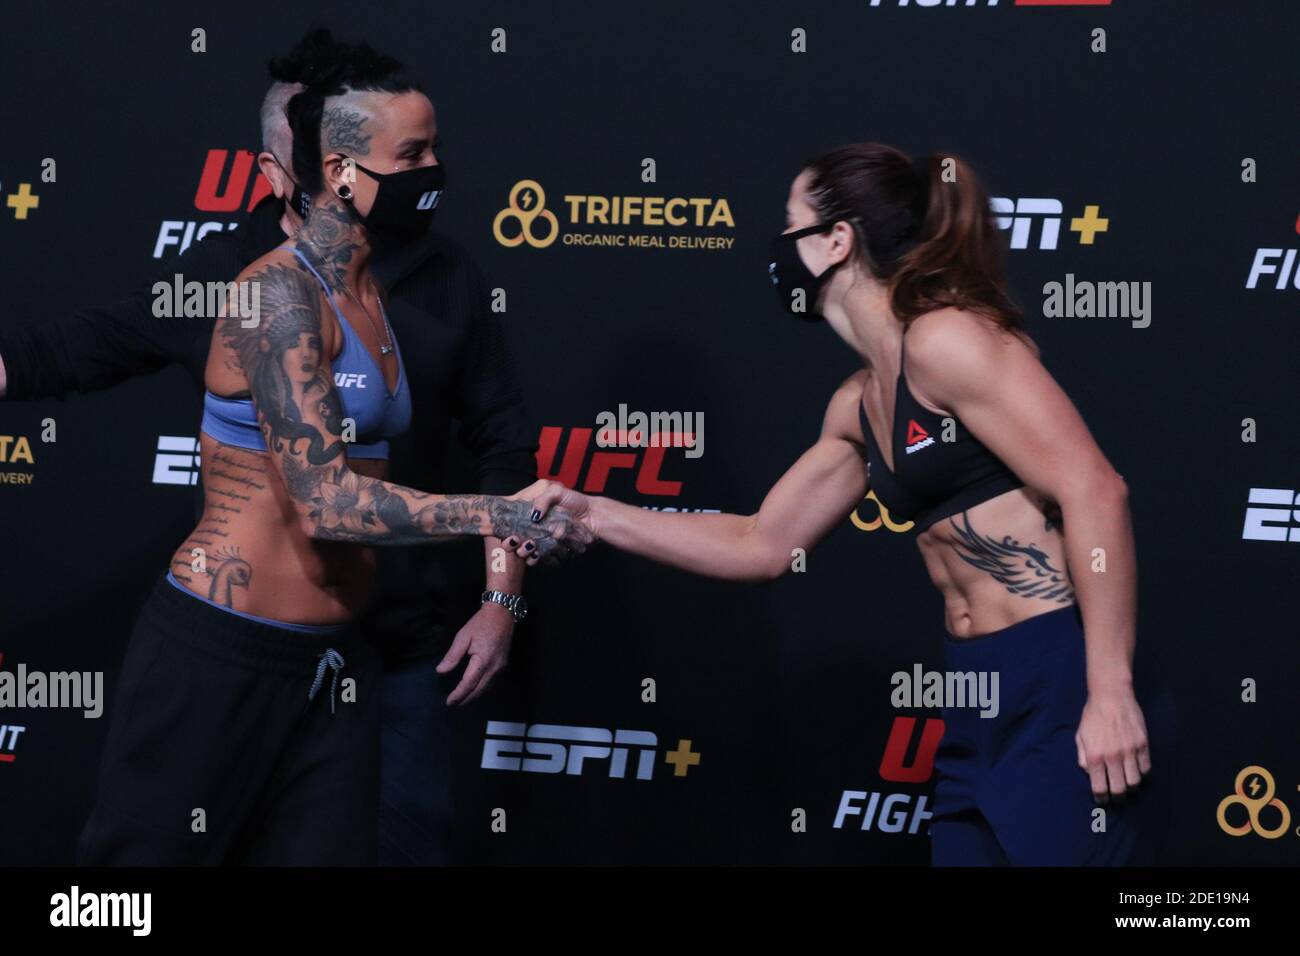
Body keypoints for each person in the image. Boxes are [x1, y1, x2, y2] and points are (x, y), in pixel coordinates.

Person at [540, 143, 1174, 866]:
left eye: (790, 224)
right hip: (974, 689)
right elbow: (762, 543)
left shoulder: (946, 340)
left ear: (837, 240)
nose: (778, 246)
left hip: (1059, 673)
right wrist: (591, 513)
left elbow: (1095, 488)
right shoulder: (859, 402)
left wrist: (1109, 689)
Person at [0, 30, 541, 865]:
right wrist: (499, 515)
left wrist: (502, 595)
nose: (433, 171)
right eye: (412, 155)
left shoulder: (404, 280)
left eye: (433, 149)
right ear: (326, 167)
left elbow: (502, 436)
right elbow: (325, 501)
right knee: (121, 895)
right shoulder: (262, 287)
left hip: (361, 654)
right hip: (231, 644)